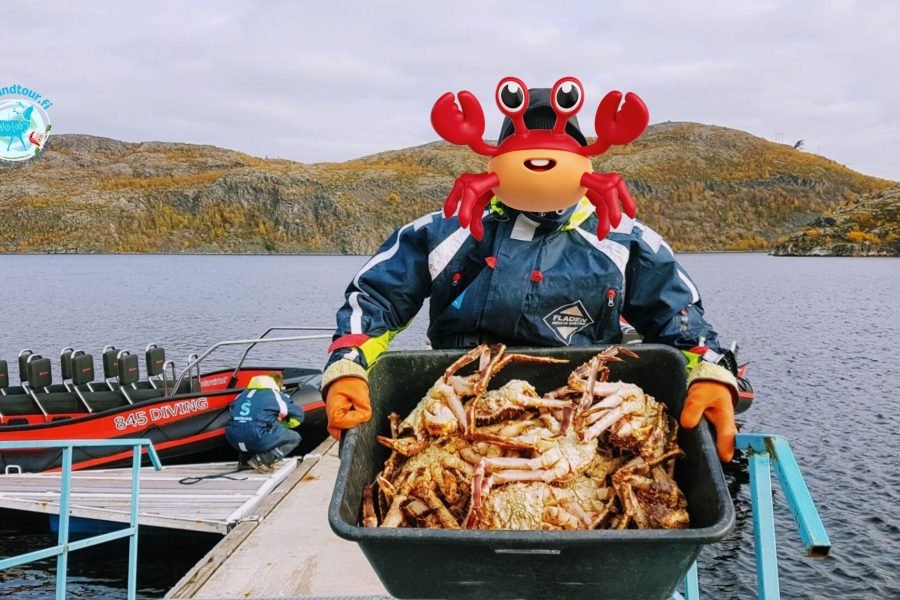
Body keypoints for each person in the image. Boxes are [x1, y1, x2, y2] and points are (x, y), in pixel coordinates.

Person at [323, 79, 746, 462]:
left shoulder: (623, 240)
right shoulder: (445, 232)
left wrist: (710, 369)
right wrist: (348, 364)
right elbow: (376, 298)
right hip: (458, 416)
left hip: (583, 421)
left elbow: (678, 318)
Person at [225, 373, 304, 472]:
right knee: (294, 437)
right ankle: (263, 459)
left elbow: (233, 412)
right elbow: (298, 416)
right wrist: (283, 426)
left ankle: (244, 461)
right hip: (257, 437)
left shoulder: (242, 394)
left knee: (245, 426)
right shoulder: (276, 395)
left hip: (232, 438)